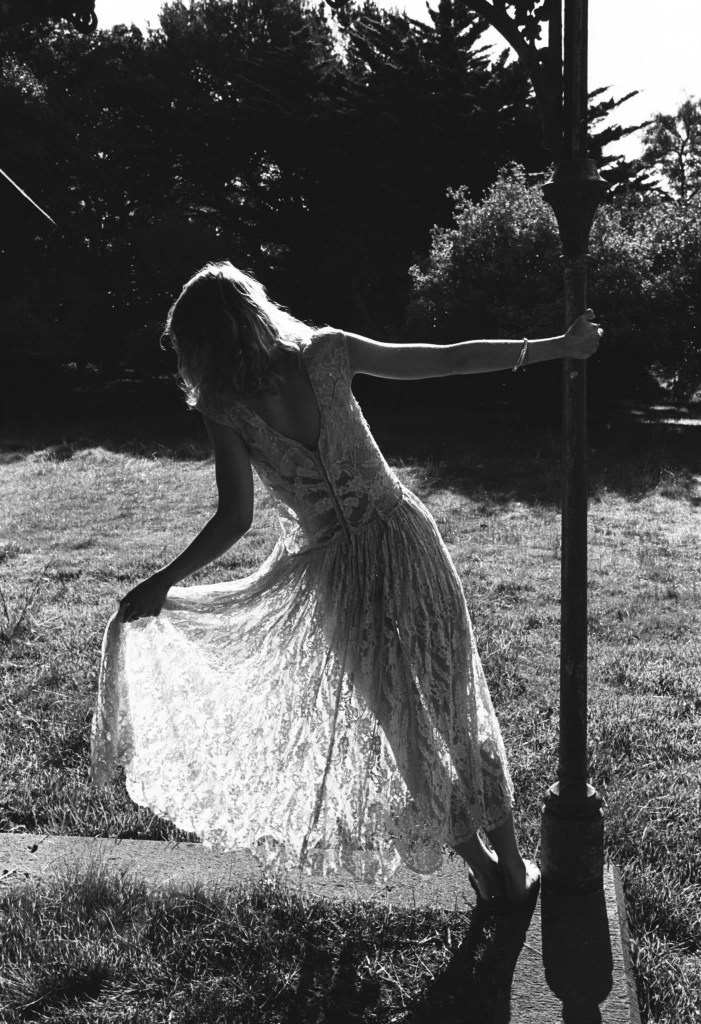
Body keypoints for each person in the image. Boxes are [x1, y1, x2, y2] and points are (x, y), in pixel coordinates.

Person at [91, 261, 601, 904]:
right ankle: (512, 865)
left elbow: (234, 517)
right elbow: (449, 359)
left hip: (336, 573)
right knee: (455, 702)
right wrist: (559, 346)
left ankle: (480, 868)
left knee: (401, 722)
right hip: (404, 541)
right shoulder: (327, 353)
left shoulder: (225, 406)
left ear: (202, 344)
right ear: (254, 308)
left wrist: (165, 581)